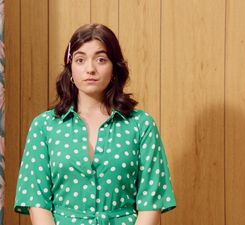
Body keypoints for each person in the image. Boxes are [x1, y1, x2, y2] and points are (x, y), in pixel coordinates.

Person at [14, 23, 176, 225]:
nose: (90, 69)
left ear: (114, 68)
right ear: (70, 69)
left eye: (101, 59)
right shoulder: (44, 126)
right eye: (80, 60)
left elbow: (151, 203)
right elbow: (37, 201)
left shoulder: (141, 125)